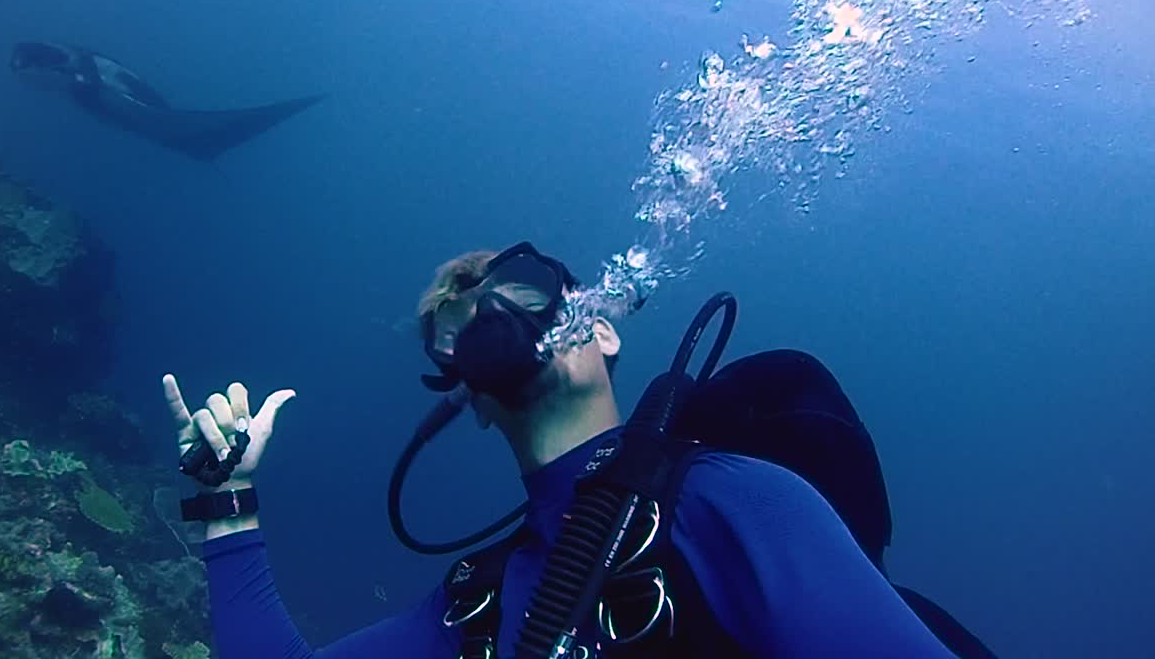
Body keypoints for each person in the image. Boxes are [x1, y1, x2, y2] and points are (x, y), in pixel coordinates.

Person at [164, 241, 990, 658]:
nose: (491, 321)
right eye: (456, 332)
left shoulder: (735, 502)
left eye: (518, 295)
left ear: (599, 328)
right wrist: (226, 503)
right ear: (470, 400)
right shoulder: (474, 604)